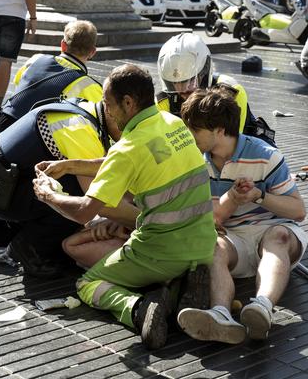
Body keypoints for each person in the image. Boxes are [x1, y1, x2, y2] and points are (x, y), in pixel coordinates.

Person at [33, 64, 217, 349]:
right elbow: (126, 162)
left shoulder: (127, 148)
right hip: (205, 245)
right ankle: (182, 286)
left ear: (128, 103)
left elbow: (84, 211)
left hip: (161, 252)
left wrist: (48, 195)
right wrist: (69, 166)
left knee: (87, 284)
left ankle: (138, 308)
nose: (106, 111)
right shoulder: (172, 123)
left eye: (107, 104)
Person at [0, 98, 136, 278]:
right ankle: (31, 250)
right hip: (7, 195)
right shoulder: (81, 131)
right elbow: (97, 203)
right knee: (74, 198)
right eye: (128, 127)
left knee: (66, 182)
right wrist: (146, 221)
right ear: (112, 111)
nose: (129, 135)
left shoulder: (85, 109)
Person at [177, 88, 307, 344]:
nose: (188, 136)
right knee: (211, 246)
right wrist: (233, 198)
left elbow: (298, 211)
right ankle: (220, 314)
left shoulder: (265, 155)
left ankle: (262, 306)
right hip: (232, 237)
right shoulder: (193, 161)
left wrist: (259, 196)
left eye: (195, 130)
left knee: (278, 235)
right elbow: (213, 219)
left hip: (270, 231)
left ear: (220, 131)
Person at [156, 33, 275, 146]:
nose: (182, 89)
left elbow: (229, 146)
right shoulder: (164, 101)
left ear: (204, 72)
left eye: (190, 80)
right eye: (175, 83)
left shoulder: (231, 93)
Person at [0, 20, 102, 133]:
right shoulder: (88, 85)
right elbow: (99, 120)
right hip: (33, 137)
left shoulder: (35, 60)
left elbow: (18, 82)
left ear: (63, 45)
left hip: (5, 125)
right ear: (92, 52)